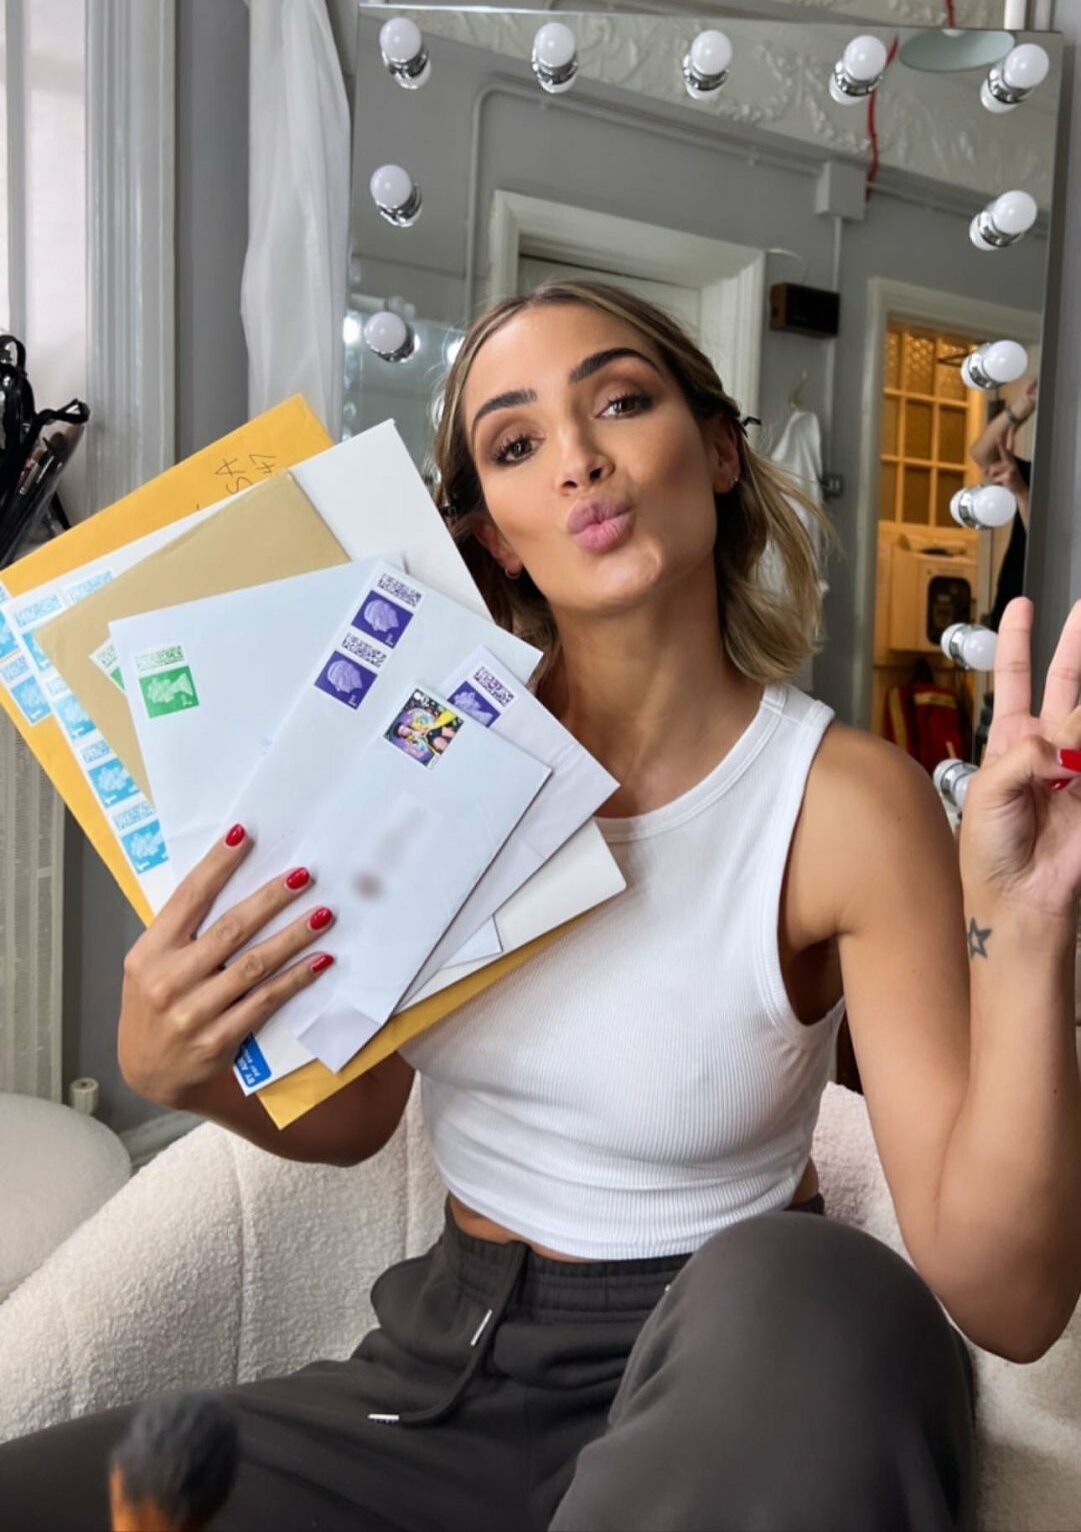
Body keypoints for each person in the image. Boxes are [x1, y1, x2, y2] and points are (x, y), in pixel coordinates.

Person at [4, 279, 1081, 1532]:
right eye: (515, 444)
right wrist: (185, 1071)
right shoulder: (424, 746)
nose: (577, 459)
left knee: (828, 1284)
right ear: (498, 538)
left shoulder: (843, 802)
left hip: (745, 1370)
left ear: (717, 451)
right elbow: (358, 1116)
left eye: (618, 402)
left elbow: (1009, 1304)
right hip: (446, 1376)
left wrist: (1030, 930)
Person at [969, 377, 1037, 632]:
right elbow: (982, 454)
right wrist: (1023, 406)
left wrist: (1021, 493)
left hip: (1045, 617)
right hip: (1011, 606)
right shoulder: (1045, 472)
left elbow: (1045, 548)